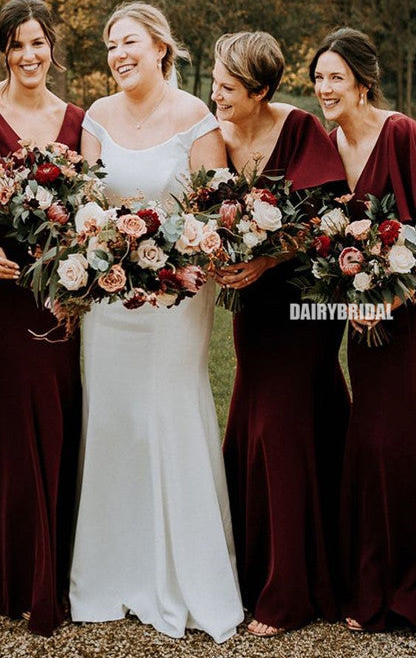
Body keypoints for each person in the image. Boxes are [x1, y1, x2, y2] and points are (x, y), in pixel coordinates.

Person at [69, 2, 244, 643]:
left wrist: (172, 258)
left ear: (161, 47)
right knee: (115, 418)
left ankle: (184, 574)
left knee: (167, 413)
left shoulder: (197, 118)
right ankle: (111, 572)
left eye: (130, 42)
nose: (118, 54)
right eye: (111, 45)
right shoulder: (96, 116)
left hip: (178, 300)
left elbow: (214, 214)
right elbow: (87, 207)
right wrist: (108, 247)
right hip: (110, 300)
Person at [0, 0, 83, 636]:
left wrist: (76, 275)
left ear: (52, 46)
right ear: (3, 50)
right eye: (17, 44)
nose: (29, 55)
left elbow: (89, 207)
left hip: (60, 284)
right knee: (12, 395)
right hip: (1, 282)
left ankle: (54, 562)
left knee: (56, 395)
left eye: (38, 42)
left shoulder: (76, 119)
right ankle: (3, 566)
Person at [213, 31, 349, 636]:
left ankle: (288, 591)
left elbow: (329, 218)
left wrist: (268, 258)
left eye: (229, 88)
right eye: (215, 82)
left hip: (304, 305)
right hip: (254, 309)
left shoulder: (299, 129)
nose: (217, 95)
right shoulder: (216, 136)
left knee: (282, 424)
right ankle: (257, 570)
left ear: (261, 90)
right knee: (259, 418)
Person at [310, 27, 416, 632]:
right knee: (372, 445)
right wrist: (346, 293)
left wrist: (394, 296)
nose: (325, 88)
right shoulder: (328, 147)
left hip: (409, 321)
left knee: (397, 445)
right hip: (362, 327)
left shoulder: (400, 134)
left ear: (362, 83)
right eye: (319, 78)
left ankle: (403, 592)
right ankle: (373, 585)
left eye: (336, 77)